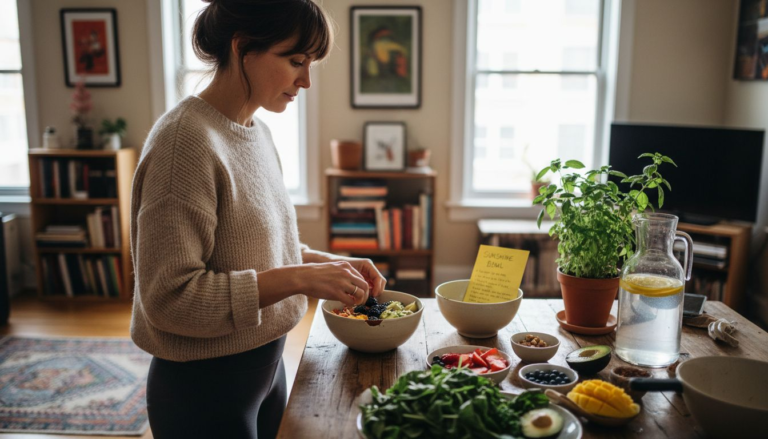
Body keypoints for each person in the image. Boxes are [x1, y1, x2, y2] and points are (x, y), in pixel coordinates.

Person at [129, 1, 385, 438]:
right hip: (203, 386)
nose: (305, 80)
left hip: (266, 366)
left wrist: (327, 265)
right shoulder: (183, 145)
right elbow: (169, 299)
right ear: (243, 47)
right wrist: (301, 279)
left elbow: (259, 250)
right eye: (295, 60)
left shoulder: (256, 132)